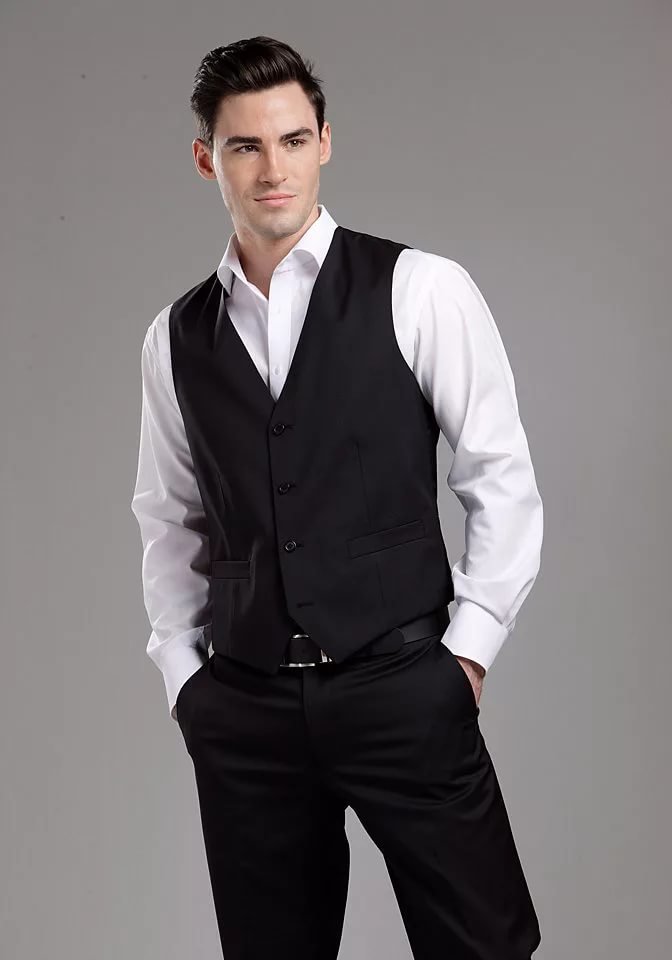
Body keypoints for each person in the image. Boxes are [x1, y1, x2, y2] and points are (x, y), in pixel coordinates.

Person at [130, 34, 544, 960]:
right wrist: (184, 679)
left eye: (291, 140)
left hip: (403, 685)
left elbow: (501, 478)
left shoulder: (421, 289)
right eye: (244, 146)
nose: (272, 169)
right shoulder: (174, 337)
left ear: (325, 142)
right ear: (206, 159)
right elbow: (169, 515)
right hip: (245, 707)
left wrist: (466, 658)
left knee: (484, 946)